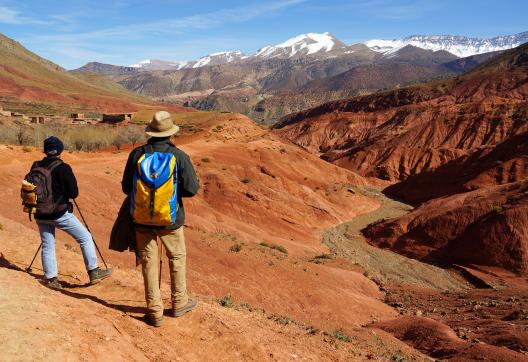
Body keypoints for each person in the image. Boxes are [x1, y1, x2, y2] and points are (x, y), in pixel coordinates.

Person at [122, 111, 200, 327]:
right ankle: (179, 303)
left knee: (148, 262)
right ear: (170, 133)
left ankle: (154, 311)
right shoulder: (179, 156)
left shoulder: (136, 155)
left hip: (141, 219)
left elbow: (125, 187)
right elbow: (192, 189)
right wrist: (169, 194)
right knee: (176, 257)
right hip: (170, 219)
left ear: (151, 132)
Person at [34, 136, 113, 289]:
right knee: (85, 237)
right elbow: (73, 193)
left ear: (45, 150)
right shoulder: (63, 168)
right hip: (58, 214)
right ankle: (93, 272)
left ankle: (51, 279)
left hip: (40, 213)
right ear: (60, 150)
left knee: (47, 244)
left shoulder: (35, 165)